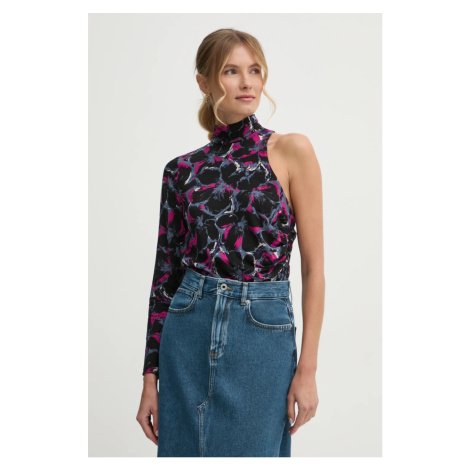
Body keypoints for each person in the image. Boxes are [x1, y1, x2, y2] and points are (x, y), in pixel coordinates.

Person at [136, 28, 325, 457]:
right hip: (187, 330)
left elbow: (314, 269)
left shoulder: (291, 150)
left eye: (254, 70)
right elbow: (165, 278)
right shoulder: (181, 171)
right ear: (204, 82)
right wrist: (150, 379)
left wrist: (308, 369)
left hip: (261, 335)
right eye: (231, 71)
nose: (247, 82)